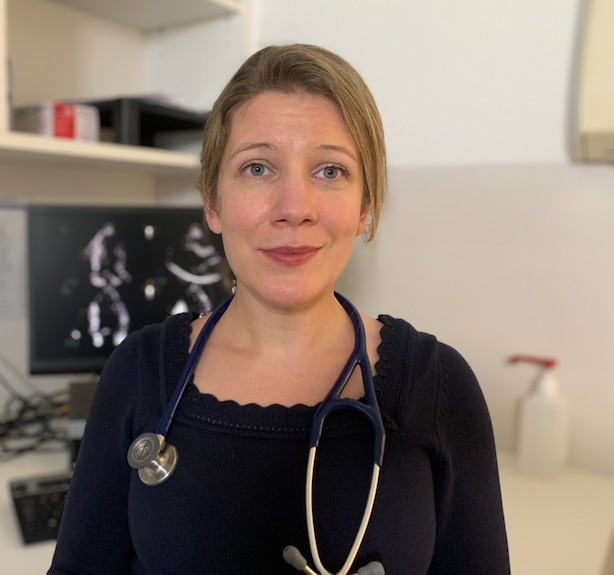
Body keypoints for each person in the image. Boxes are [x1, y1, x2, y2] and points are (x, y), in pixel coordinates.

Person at [48, 43, 510, 575]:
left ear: (365, 207)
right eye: (258, 168)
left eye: (331, 171)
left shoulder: (439, 385)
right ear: (212, 202)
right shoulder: (137, 373)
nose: (294, 209)